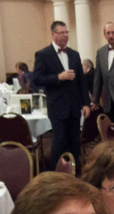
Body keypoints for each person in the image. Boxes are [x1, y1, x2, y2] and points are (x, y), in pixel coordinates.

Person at [34, 21, 90, 170]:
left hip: (74, 107)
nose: (65, 36)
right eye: (62, 33)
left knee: (74, 142)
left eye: (67, 33)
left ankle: (75, 175)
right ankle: (56, 177)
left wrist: (85, 103)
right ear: (53, 34)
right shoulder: (43, 54)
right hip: (57, 106)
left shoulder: (74, 54)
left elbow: (81, 82)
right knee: (59, 143)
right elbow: (37, 79)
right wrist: (58, 77)